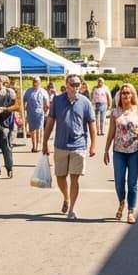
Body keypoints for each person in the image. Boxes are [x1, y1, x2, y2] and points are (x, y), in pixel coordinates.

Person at [43, 73, 96, 220]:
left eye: (78, 84)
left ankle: (71, 209)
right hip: (60, 144)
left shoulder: (85, 102)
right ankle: (66, 197)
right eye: (72, 84)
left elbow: (92, 123)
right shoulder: (58, 100)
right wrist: (44, 142)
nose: (75, 87)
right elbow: (50, 121)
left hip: (78, 145)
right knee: (60, 176)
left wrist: (93, 145)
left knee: (75, 179)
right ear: (66, 85)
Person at [103, 82, 138, 224]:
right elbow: (111, 132)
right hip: (119, 152)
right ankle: (121, 202)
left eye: (128, 93)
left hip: (135, 151)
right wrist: (106, 150)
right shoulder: (116, 112)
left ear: (132, 95)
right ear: (120, 95)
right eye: (123, 93)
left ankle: (130, 211)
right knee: (119, 181)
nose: (126, 95)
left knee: (132, 182)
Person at [23, 78, 49, 152]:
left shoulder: (43, 91)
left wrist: (45, 111)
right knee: (32, 130)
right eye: (34, 81)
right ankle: (34, 146)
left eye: (37, 81)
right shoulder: (28, 91)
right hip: (30, 112)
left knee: (39, 129)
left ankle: (38, 146)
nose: (35, 83)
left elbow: (47, 103)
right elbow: (24, 100)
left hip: (40, 113)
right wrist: (24, 109)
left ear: (39, 82)